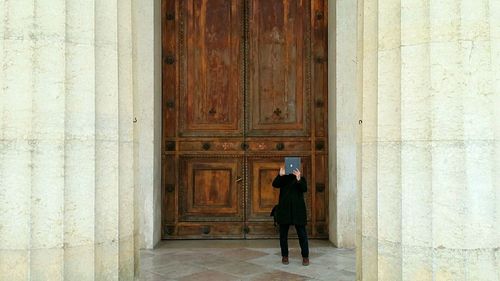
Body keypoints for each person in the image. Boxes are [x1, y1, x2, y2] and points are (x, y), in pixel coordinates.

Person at [272, 165, 309, 266]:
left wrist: (298, 178)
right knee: (283, 235)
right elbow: (275, 184)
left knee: (302, 235)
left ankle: (305, 257)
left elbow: (304, 189)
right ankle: (285, 256)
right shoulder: (283, 178)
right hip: (285, 210)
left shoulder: (301, 178)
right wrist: (280, 175)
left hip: (298, 211)